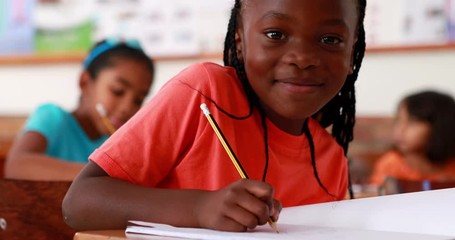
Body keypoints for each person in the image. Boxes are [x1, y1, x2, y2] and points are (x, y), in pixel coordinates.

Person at [63, 0, 367, 232]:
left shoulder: (331, 161)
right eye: (275, 34)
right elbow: (79, 202)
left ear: (352, 52)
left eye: (330, 40)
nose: (302, 58)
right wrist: (199, 208)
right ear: (239, 40)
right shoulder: (205, 94)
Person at [5, 38, 155, 181]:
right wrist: (103, 177)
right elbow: (17, 165)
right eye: (117, 90)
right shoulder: (53, 117)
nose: (127, 108)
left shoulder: (117, 145)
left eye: (138, 100)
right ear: (84, 82)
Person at [370, 91, 455, 187]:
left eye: (412, 122)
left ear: (439, 127)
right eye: (398, 120)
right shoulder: (391, 164)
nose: (400, 129)